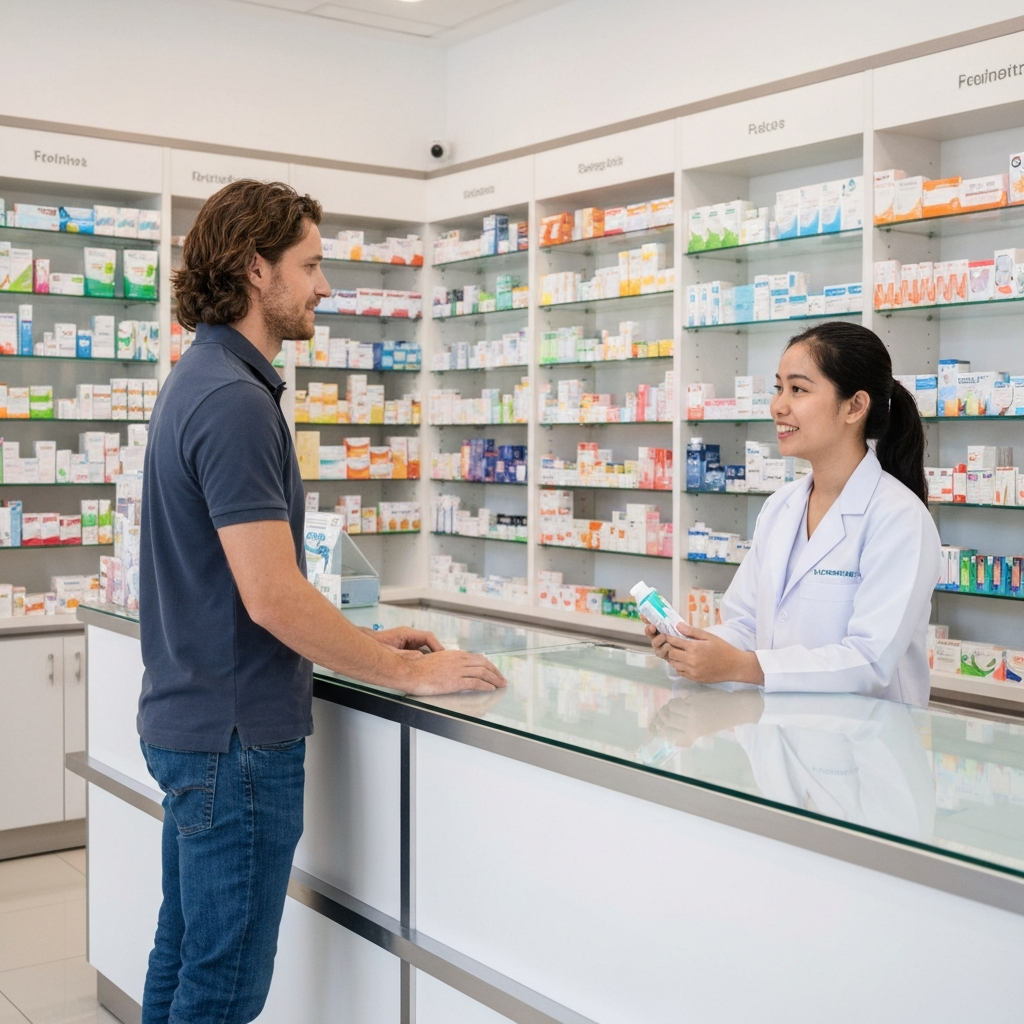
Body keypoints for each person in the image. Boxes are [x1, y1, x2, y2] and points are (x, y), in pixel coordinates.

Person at [137, 180, 506, 1024]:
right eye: (310, 266)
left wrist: (364, 636)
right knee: (223, 986)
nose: (325, 288)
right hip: (237, 742)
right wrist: (402, 672)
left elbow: (239, 585)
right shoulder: (233, 400)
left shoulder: (201, 376)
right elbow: (270, 598)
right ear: (255, 269)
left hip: (194, 723)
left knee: (185, 956)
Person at [647, 321, 941, 706]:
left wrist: (743, 666)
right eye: (778, 387)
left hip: (866, 749)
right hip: (781, 736)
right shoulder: (781, 507)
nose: (778, 405)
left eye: (798, 389)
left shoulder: (899, 518)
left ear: (855, 406)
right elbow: (747, 624)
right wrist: (692, 647)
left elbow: (870, 662)